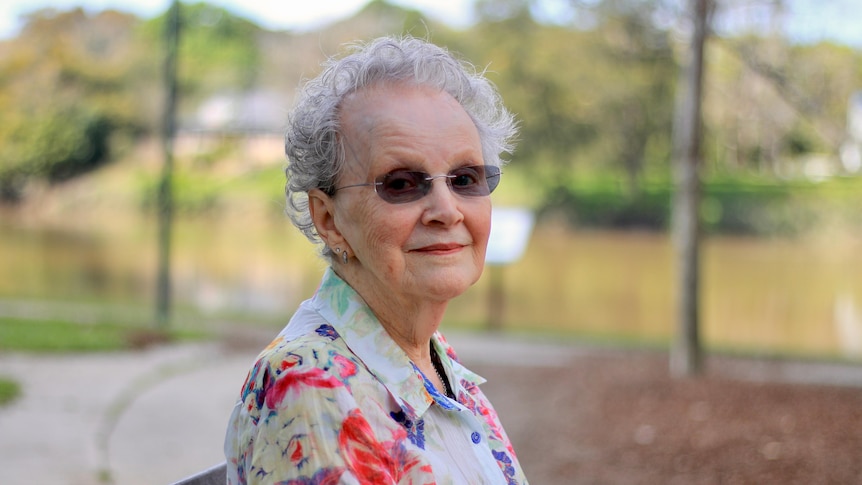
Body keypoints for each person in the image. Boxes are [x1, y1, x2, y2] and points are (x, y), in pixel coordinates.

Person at [224, 35, 528, 485]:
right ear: (328, 219)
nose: (447, 211)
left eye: (465, 178)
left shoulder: (432, 359)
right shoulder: (307, 384)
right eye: (402, 183)